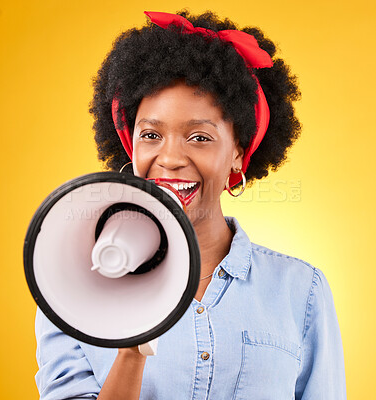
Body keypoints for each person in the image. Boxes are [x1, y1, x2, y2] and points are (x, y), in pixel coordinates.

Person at [34, 10, 346, 399]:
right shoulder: (70, 289)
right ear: (131, 146)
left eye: (198, 137)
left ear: (239, 153)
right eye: (151, 134)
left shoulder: (301, 292)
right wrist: (134, 346)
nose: (170, 158)